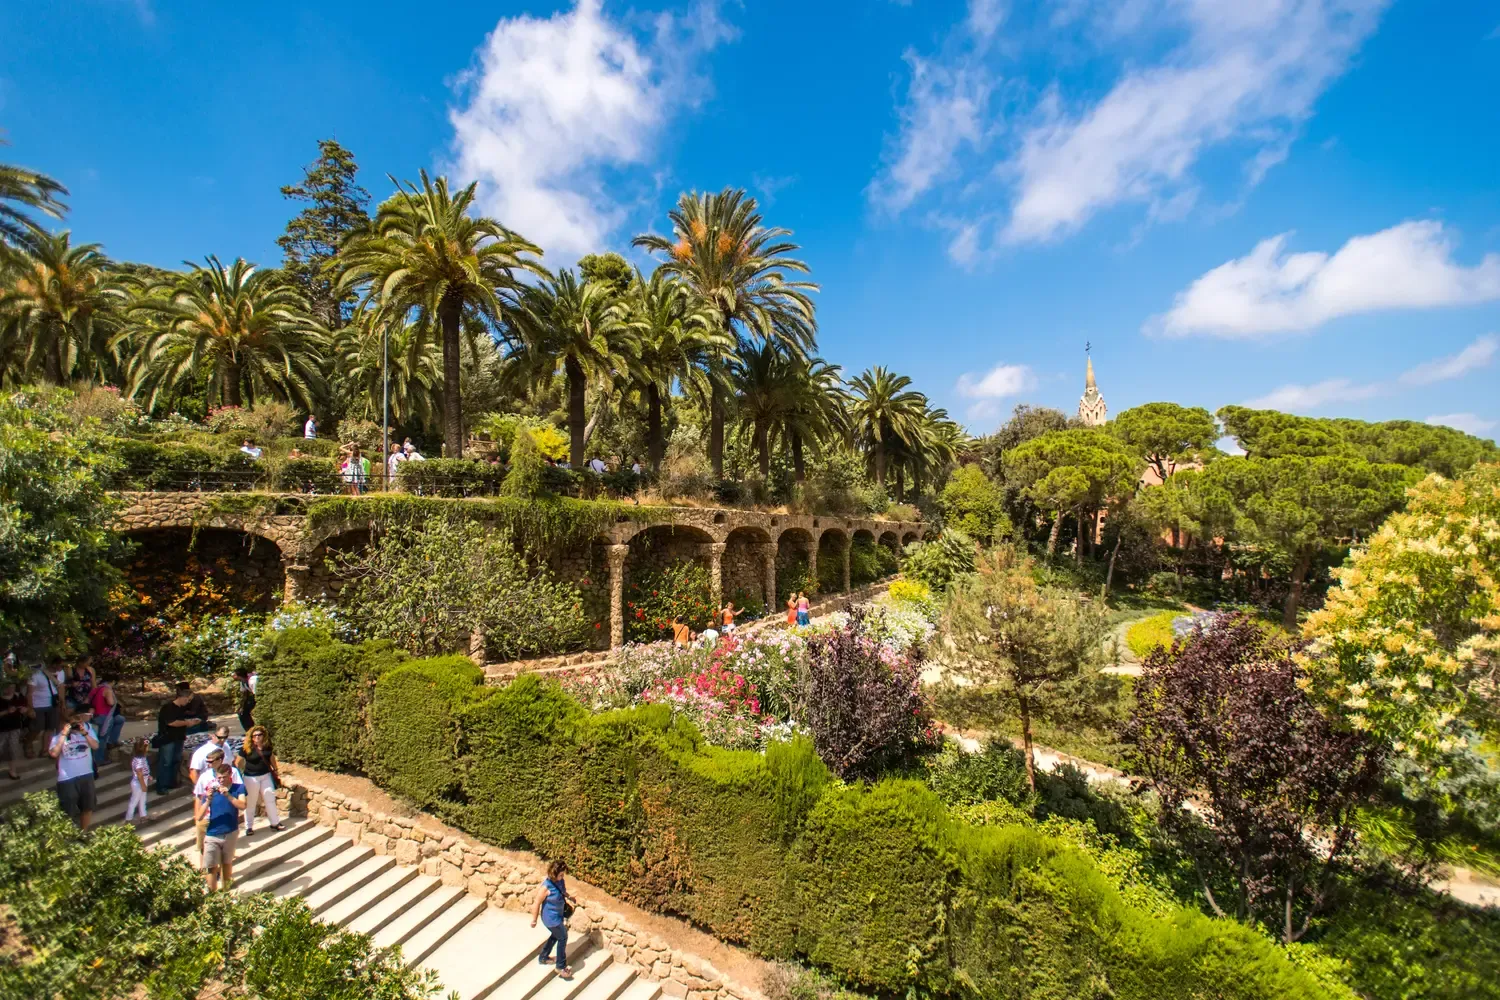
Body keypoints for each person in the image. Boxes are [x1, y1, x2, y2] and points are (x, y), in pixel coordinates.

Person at [195, 757, 246, 892]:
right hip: (212, 833)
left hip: (230, 832)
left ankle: (225, 892)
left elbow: (242, 805)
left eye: (224, 777)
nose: (221, 780)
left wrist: (228, 795)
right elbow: (199, 816)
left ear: (230, 775)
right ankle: (212, 895)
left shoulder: (238, 788)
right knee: (211, 866)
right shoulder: (211, 791)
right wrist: (207, 800)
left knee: (227, 863)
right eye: (219, 778)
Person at [50, 707, 99, 830]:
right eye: (73, 722)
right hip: (67, 778)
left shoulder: (88, 731)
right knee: (68, 810)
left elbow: (95, 746)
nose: (76, 724)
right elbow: (54, 753)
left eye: (78, 721)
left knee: (88, 807)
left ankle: (83, 833)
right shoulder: (57, 737)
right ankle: (68, 835)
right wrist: (64, 734)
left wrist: (84, 733)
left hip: (86, 774)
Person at [530, 859, 577, 980]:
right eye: (560, 875)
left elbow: (563, 891)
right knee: (563, 936)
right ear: (554, 874)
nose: (562, 877)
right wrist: (534, 920)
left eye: (563, 875)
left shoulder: (560, 882)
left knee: (556, 936)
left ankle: (543, 957)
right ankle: (560, 966)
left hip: (558, 916)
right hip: (550, 919)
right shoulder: (546, 887)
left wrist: (569, 897)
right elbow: (536, 903)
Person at [234, 725, 284, 836]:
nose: (257, 737)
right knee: (251, 801)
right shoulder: (246, 748)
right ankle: (249, 826)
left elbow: (271, 758)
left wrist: (275, 769)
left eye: (259, 735)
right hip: (251, 777)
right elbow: (238, 762)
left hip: (265, 775)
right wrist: (240, 772)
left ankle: (275, 823)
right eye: (254, 735)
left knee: (269, 797)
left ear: (263, 736)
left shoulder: (267, 746)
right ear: (251, 737)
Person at [155, 682, 202, 795]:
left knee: (175, 760)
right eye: (187, 699)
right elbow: (172, 722)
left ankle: (172, 782)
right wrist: (187, 723)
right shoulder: (168, 707)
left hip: (179, 738)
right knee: (166, 762)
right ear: (182, 697)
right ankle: (161, 786)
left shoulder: (181, 708)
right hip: (168, 739)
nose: (188, 702)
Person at [26, 657, 64, 756]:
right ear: (54, 664)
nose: (62, 668)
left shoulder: (60, 674)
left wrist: (62, 702)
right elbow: (29, 693)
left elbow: (60, 688)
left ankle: (45, 749)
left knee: (51, 727)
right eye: (60, 665)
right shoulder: (36, 675)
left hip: (52, 704)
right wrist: (30, 708)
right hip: (38, 705)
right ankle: (28, 744)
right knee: (37, 728)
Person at [89, 677, 123, 767]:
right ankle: (99, 759)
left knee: (120, 719)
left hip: (95, 715)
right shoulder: (107, 690)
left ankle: (112, 741)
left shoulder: (96, 689)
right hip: (105, 716)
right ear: (112, 681)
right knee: (102, 738)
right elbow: (111, 702)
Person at [0, 679, 28, 780]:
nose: (11, 689)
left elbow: (25, 708)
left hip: (15, 727)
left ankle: (13, 771)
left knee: (13, 749)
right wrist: (7, 712)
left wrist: (24, 710)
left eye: (12, 687)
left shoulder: (18, 697)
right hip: (2, 729)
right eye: (8, 687)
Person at [125, 738, 152, 822]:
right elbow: (139, 773)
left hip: (143, 780)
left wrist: (148, 776)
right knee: (134, 800)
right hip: (139, 783)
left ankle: (143, 815)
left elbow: (144, 771)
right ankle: (128, 819)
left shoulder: (141, 758)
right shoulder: (139, 760)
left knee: (142, 799)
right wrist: (143, 785)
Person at [234, 667, 256, 732]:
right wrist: (241, 707)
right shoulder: (242, 681)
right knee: (242, 713)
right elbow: (244, 694)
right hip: (251, 697)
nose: (233, 676)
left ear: (239, 676)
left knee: (247, 712)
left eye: (235, 675)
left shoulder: (253, 680)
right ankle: (249, 731)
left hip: (256, 696)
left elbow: (256, 694)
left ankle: (252, 730)